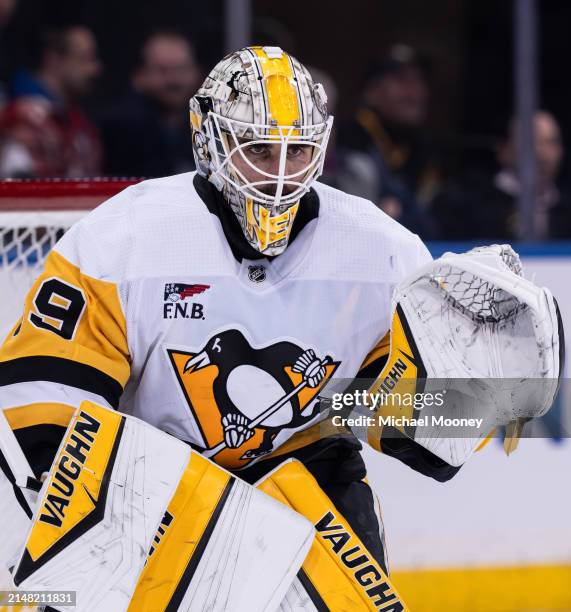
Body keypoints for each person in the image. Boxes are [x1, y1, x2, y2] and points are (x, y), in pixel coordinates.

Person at [0, 47, 459, 584]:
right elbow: (40, 400)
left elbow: (417, 429)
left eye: (298, 151)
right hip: (150, 483)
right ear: (210, 140)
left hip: (304, 475)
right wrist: (99, 515)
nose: (281, 176)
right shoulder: (122, 238)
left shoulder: (382, 251)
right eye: (260, 149)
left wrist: (485, 389)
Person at [338, 44, 438, 236]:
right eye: (402, 82)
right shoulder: (350, 138)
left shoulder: (422, 144)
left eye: (419, 82)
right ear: (372, 91)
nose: (414, 94)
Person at [433, 110, 571, 240]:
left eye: (551, 142)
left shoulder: (565, 208)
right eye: (531, 142)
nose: (543, 154)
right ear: (505, 149)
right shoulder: (467, 204)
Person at [0, 24, 102, 178]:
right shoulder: (20, 117)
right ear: (54, 59)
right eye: (84, 58)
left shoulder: (78, 121)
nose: (94, 69)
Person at [99, 29, 201, 177]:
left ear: (196, 72)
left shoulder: (208, 124)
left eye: (182, 69)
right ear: (140, 76)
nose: (174, 80)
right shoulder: (122, 126)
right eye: (163, 70)